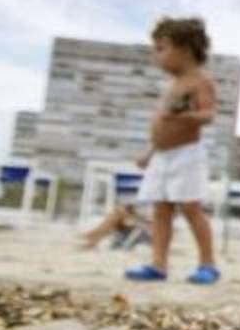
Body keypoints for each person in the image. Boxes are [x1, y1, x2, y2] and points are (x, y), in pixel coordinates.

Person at [124, 17, 220, 284]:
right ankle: (159, 264)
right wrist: (149, 152)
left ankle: (208, 264)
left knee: (191, 208)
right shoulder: (172, 86)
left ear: (185, 49)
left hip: (186, 154)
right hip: (162, 156)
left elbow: (209, 113)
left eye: (161, 48)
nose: (157, 56)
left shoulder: (199, 82)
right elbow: (163, 128)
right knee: (160, 210)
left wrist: (186, 115)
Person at [78, 203, 149, 250]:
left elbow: (148, 221)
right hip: (141, 226)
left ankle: (93, 236)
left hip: (146, 230)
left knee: (119, 214)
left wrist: (139, 218)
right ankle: (93, 236)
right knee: (118, 213)